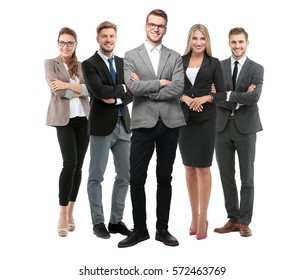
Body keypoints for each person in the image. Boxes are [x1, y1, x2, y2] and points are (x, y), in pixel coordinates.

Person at [118, 9, 186, 248]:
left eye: (161, 26)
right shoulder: (130, 55)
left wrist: (145, 88)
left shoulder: (175, 56)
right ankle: (140, 230)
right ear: (145, 25)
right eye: (153, 24)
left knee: (164, 178)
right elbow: (130, 87)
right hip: (142, 123)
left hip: (170, 123)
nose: (156, 29)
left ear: (165, 29)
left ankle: (162, 229)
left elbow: (178, 88)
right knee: (136, 178)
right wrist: (159, 83)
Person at [81, 21, 133, 239]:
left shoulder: (123, 62)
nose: (108, 40)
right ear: (97, 39)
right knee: (96, 176)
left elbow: (132, 93)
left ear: (116, 37)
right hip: (102, 128)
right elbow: (98, 90)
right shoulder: (89, 64)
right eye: (104, 36)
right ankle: (98, 222)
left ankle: (115, 221)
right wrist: (120, 89)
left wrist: (116, 95)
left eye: (111, 36)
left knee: (125, 176)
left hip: (124, 126)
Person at [214, 27, 264, 237]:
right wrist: (238, 96)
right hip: (221, 127)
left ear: (247, 43)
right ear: (229, 43)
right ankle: (233, 219)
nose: (237, 46)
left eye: (240, 42)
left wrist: (226, 94)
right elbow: (214, 97)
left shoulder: (256, 68)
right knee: (226, 176)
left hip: (246, 128)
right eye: (233, 42)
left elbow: (254, 98)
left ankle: (245, 221)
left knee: (247, 177)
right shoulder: (219, 66)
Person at [179, 24, 226, 240]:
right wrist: (187, 99)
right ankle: (194, 215)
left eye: (202, 39)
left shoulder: (214, 63)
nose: (199, 42)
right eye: (195, 38)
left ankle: (204, 217)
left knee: (203, 167)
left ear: (207, 42)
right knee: (189, 167)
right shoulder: (179, 61)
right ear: (189, 40)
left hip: (206, 119)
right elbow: (174, 88)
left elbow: (222, 93)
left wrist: (205, 98)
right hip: (184, 119)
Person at [44, 27, 90, 237]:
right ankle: (62, 214)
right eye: (62, 42)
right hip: (64, 121)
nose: (65, 46)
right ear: (57, 43)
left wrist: (74, 87)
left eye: (70, 43)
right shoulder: (50, 64)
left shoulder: (81, 66)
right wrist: (75, 88)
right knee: (69, 164)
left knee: (79, 166)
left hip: (84, 119)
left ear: (76, 45)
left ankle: (71, 211)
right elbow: (58, 91)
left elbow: (90, 90)